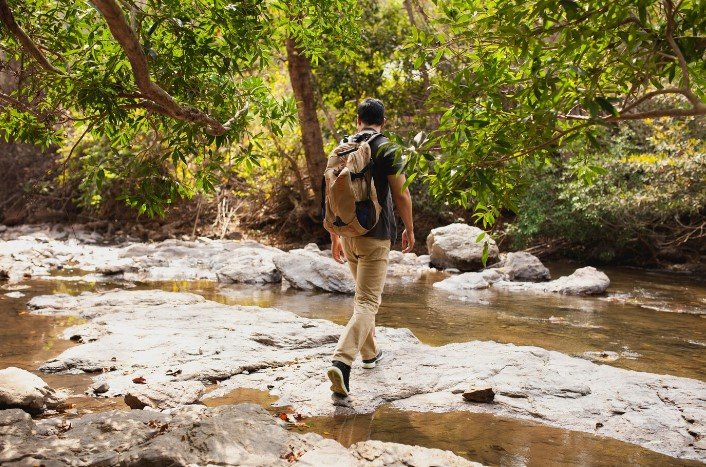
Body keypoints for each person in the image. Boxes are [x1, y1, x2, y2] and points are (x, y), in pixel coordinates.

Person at [327, 98, 415, 398]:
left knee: (361, 299)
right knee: (367, 303)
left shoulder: (342, 147)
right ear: (383, 121)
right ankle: (343, 360)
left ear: (357, 120)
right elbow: (401, 195)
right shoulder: (387, 148)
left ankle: (370, 355)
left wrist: (334, 236)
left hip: (348, 233)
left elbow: (331, 195)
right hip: (376, 235)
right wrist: (410, 229)